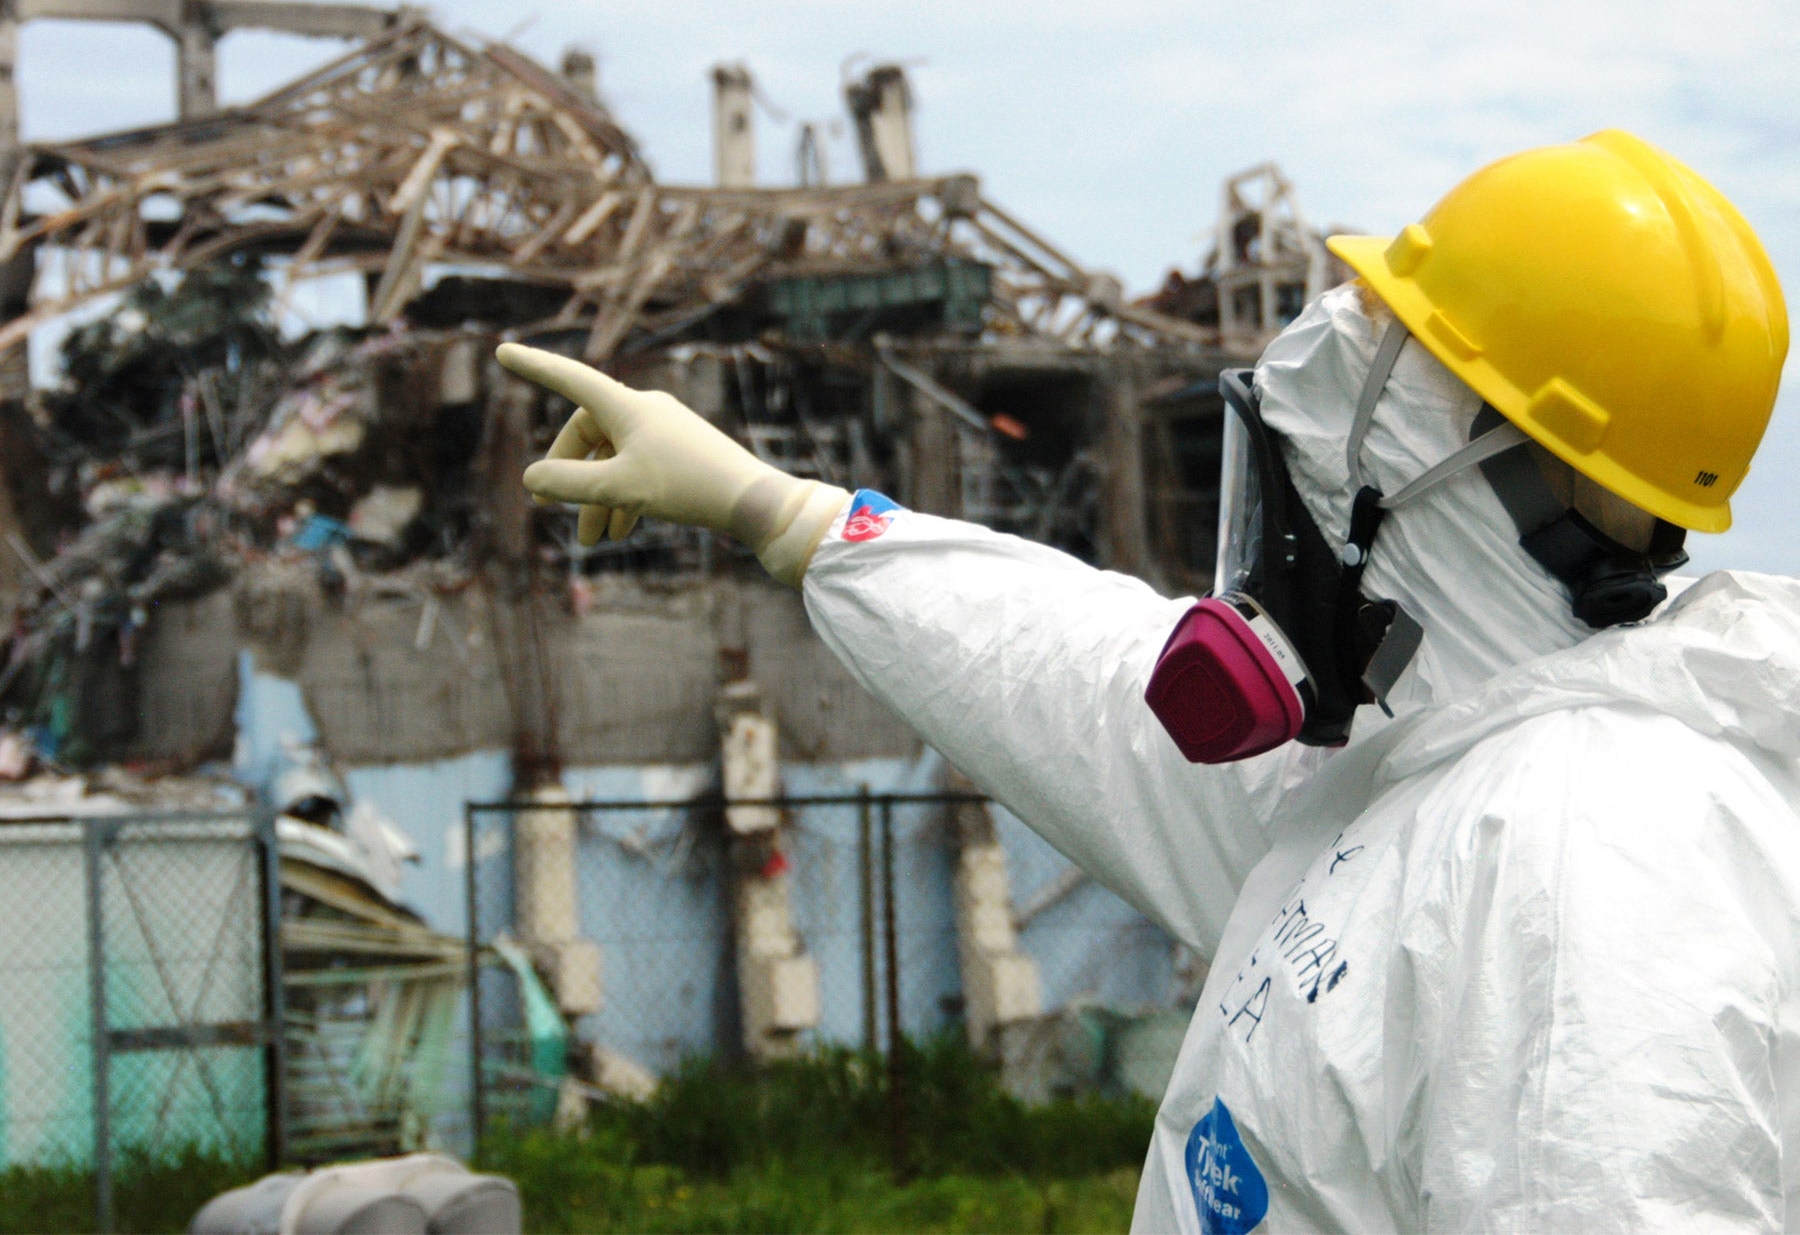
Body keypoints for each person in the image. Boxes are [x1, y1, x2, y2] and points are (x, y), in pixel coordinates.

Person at [497, 129, 1800, 1231]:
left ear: (1455, 448)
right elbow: (1081, 677)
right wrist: (781, 511)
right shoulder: (1436, 751)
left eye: (1378, 342)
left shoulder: (1603, 869)